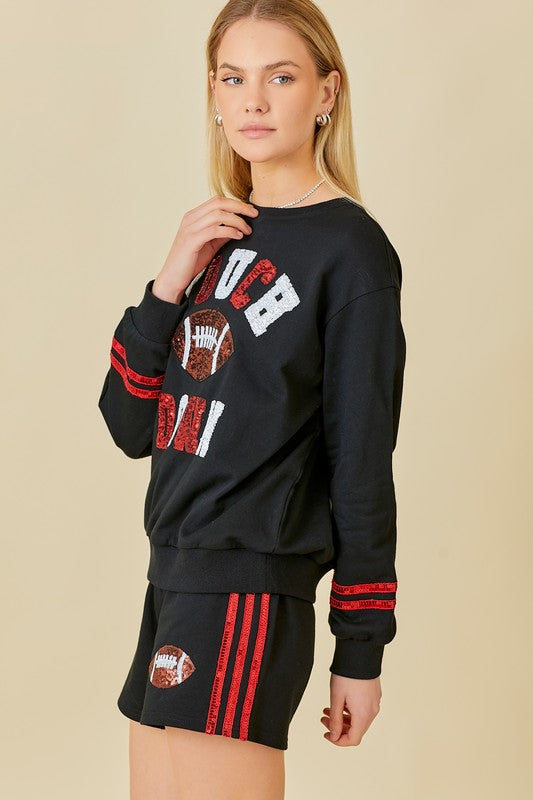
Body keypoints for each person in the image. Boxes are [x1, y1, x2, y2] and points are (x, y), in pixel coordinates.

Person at [97, 1, 407, 798]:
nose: (254, 101)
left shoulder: (350, 252)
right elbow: (129, 424)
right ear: (212, 92)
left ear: (326, 93)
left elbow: (361, 459)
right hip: (173, 577)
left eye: (281, 77)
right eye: (234, 79)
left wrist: (359, 647)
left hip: (247, 587)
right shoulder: (212, 237)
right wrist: (169, 280)